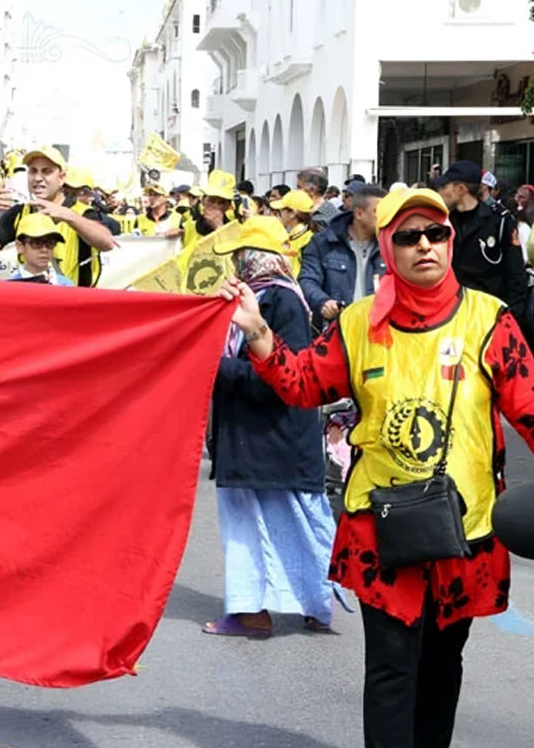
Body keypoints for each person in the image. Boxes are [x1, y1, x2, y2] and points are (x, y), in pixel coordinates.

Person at [222, 187, 532, 748]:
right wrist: (259, 333)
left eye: (435, 233)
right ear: (389, 246)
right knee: (390, 669)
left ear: (450, 239)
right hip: (379, 529)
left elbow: (531, 409)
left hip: (465, 530)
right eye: (409, 237)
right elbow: (303, 384)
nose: (425, 246)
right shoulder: (357, 324)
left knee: (442, 667)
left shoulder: (491, 321)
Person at [204, 216, 332, 638]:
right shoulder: (270, 298)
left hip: (269, 437)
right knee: (290, 525)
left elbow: (278, 378)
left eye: (241, 256)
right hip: (263, 440)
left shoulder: (280, 302)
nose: (237, 264)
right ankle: (294, 605)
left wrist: (211, 367)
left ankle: (257, 610)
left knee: (265, 528)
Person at [0, 146, 117, 287]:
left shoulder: (82, 212)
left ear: (61, 178)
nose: (38, 178)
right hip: (32, 303)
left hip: (74, 305)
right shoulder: (20, 212)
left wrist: (70, 217)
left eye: (46, 172)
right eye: (33, 171)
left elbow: (107, 243)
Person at [433, 160, 526, 314]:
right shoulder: (443, 222)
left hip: (489, 313)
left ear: (461, 189)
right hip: (450, 312)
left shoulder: (499, 221)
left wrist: (511, 317)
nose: (440, 192)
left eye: (444, 187)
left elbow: (515, 274)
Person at [299, 184, 388, 329]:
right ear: (359, 214)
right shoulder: (324, 242)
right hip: (336, 330)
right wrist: (323, 302)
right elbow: (308, 279)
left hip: (378, 330)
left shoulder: (391, 245)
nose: (386, 217)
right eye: (379, 212)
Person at [7, 212, 73, 286]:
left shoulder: (66, 285)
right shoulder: (10, 287)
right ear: (20, 246)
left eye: (50, 243)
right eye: (36, 243)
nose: (44, 250)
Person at [269, 189, 322, 275]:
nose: (277, 215)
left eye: (279, 211)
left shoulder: (308, 241)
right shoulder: (295, 236)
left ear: (292, 213)